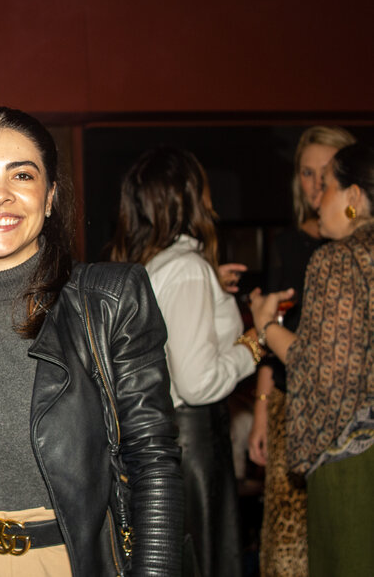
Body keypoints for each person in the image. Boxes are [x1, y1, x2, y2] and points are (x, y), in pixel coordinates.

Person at [0, 107, 183, 576]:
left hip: (71, 563)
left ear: (49, 197)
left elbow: (153, 463)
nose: (0, 195)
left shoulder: (110, 300)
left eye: (22, 175)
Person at [108, 146, 261, 577]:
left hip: (161, 442)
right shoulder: (189, 268)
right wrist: (255, 342)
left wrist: (214, 286)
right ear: (191, 196)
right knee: (203, 560)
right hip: (193, 444)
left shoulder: (148, 266)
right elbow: (196, 381)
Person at [249, 142, 374, 575]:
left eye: (329, 187)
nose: (318, 200)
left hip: (352, 459)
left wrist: (265, 326)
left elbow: (318, 368)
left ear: (355, 197)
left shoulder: (337, 260)